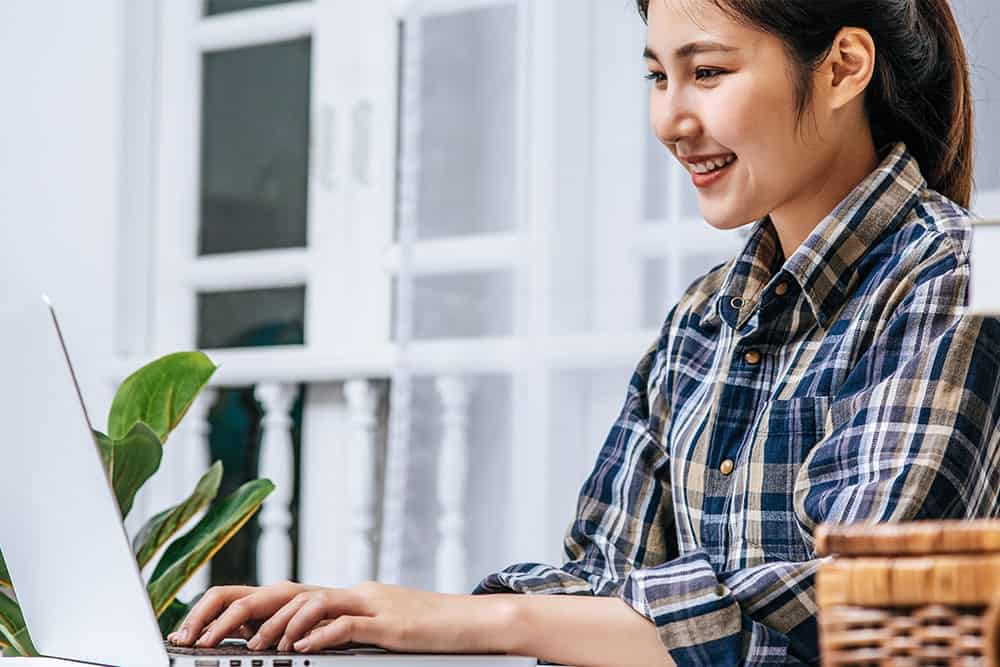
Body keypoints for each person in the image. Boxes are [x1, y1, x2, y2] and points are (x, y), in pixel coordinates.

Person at [167, 0, 1000, 664]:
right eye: (656, 76)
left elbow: (859, 607)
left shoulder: (962, 277)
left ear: (844, 66)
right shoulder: (701, 322)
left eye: (706, 71)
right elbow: (607, 577)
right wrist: (391, 617)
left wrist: (484, 625)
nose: (671, 119)